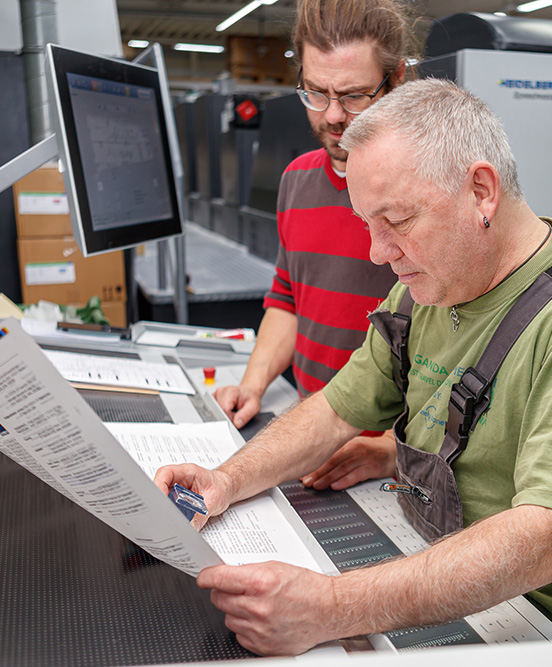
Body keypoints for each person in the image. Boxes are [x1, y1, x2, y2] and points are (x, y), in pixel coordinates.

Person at [155, 78, 552, 666]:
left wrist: (327, 605)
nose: (378, 253)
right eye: (367, 224)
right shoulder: (425, 294)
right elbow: (336, 410)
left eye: (398, 220)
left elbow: (547, 540)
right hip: (439, 563)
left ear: (481, 191)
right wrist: (227, 480)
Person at [212, 0, 414, 491]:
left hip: (393, 458)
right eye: (316, 93)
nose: (333, 116)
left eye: (354, 95)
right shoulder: (297, 180)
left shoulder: (427, 192)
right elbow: (288, 298)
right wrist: (253, 384)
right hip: (306, 439)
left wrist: (393, 447)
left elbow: (472, 343)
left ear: (397, 80)